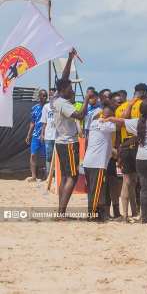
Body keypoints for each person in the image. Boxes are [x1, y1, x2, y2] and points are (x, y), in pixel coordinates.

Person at [52, 49, 92, 216]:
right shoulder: (63, 103)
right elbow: (80, 115)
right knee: (73, 177)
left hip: (61, 142)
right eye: (70, 87)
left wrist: (69, 58)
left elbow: (65, 77)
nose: (72, 89)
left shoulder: (56, 97)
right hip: (68, 143)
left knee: (66, 176)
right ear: (64, 90)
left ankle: (61, 209)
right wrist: (87, 98)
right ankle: (61, 212)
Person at [115, 83, 147, 221]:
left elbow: (120, 123)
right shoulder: (145, 105)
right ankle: (141, 214)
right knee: (141, 181)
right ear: (145, 92)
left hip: (125, 145)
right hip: (139, 145)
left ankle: (127, 214)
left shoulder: (121, 107)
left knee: (128, 181)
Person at [83, 104, 116, 221]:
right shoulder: (109, 125)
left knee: (93, 190)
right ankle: (92, 215)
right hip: (98, 163)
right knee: (96, 190)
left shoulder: (93, 123)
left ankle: (95, 214)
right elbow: (116, 124)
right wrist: (108, 118)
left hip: (89, 162)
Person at [25, 89, 48, 183]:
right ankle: (33, 176)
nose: (44, 97)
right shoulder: (35, 108)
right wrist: (28, 135)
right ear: (39, 97)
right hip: (35, 135)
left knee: (46, 156)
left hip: (46, 136)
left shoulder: (48, 107)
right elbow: (32, 123)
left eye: (46, 96)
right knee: (33, 155)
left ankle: (46, 176)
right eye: (43, 95)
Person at [40, 88, 57, 177]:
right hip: (49, 136)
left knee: (58, 157)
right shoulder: (46, 107)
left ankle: (56, 176)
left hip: (58, 136)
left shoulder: (60, 106)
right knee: (49, 156)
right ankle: (48, 176)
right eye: (50, 95)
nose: (51, 97)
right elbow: (44, 122)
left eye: (53, 95)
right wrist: (42, 134)